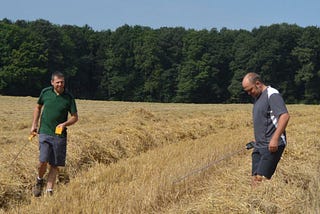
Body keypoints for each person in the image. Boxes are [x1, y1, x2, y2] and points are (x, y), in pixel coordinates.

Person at [30, 71, 78, 196]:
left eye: (62, 82)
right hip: (45, 132)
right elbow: (38, 107)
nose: (60, 84)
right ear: (52, 83)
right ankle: (39, 180)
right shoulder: (45, 93)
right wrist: (34, 124)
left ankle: (49, 190)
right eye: (57, 82)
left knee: (55, 164)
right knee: (43, 160)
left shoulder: (69, 97)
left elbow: (74, 117)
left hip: (59, 135)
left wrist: (64, 124)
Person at [242, 72, 290, 187]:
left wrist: (275, 139)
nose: (249, 93)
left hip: (272, 145)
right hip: (260, 145)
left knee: (261, 180)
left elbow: (284, 116)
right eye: (247, 91)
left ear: (258, 83)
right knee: (254, 179)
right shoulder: (257, 98)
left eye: (250, 90)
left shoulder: (272, 94)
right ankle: (254, 202)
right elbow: (264, 121)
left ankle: (265, 203)